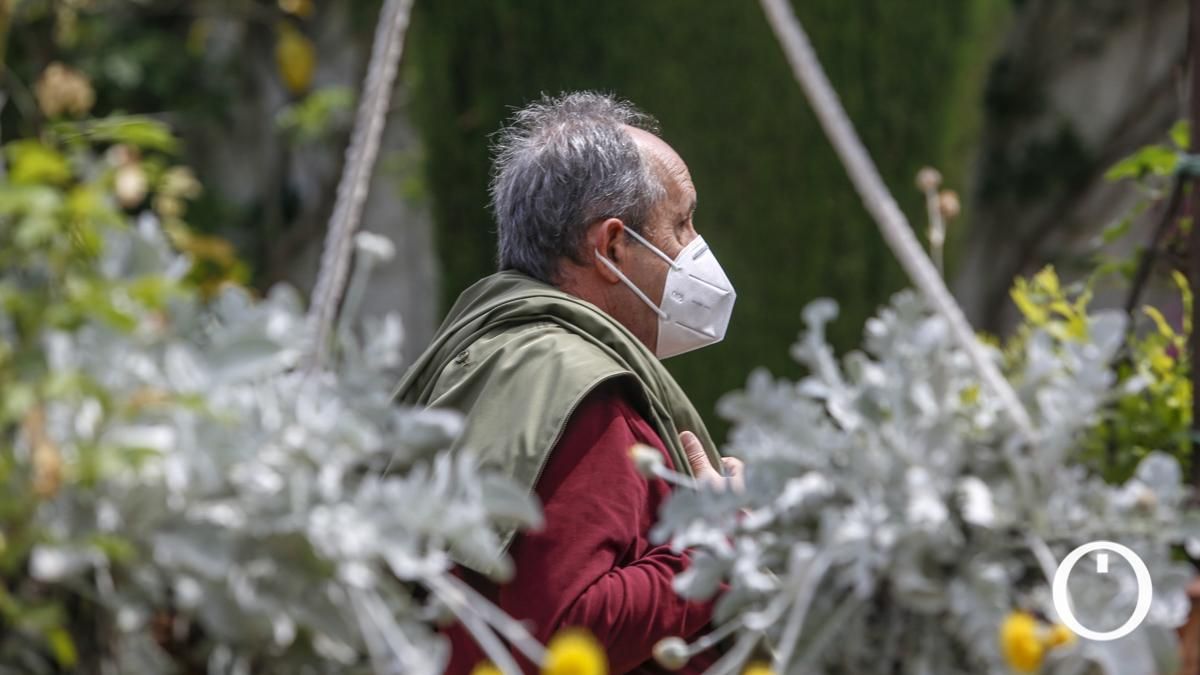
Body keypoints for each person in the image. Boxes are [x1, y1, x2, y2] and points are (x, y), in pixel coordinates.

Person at [394, 91, 744, 674]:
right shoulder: (580, 388)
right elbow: (566, 633)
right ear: (610, 247)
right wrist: (717, 541)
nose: (696, 247)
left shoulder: (492, 356)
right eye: (681, 222)